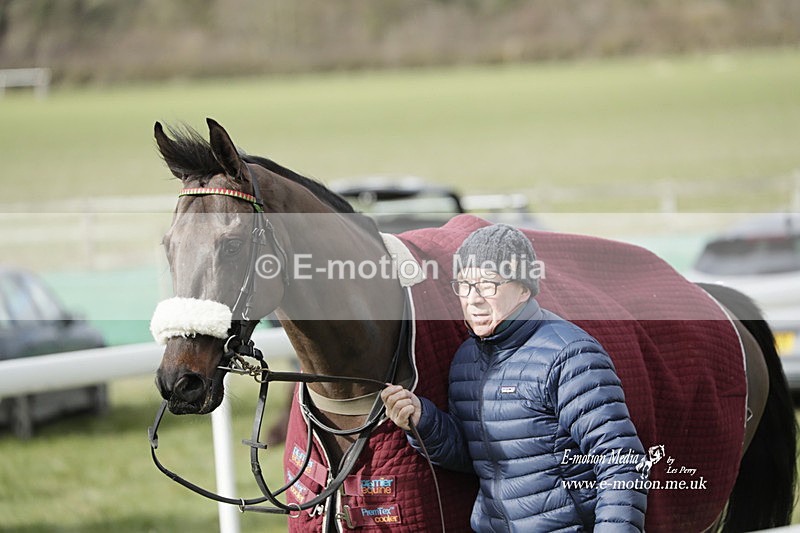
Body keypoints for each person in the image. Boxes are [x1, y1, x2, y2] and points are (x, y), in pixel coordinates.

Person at [381, 224, 648, 532]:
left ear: (524, 289)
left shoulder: (570, 354)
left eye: (489, 284)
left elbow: (621, 459)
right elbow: (475, 455)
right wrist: (423, 420)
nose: (474, 299)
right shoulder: (467, 358)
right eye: (465, 285)